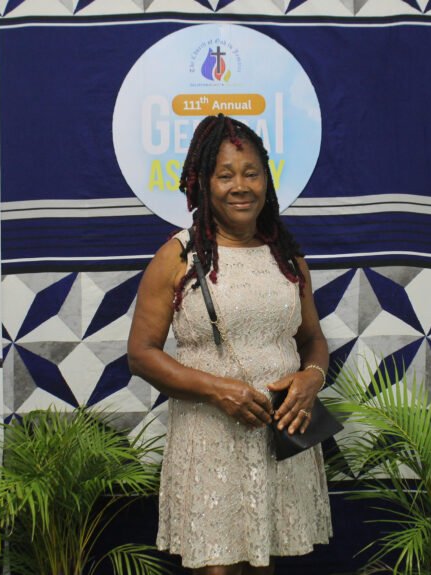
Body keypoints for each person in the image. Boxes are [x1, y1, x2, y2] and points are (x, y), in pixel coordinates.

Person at [127, 115, 332, 574]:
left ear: (266, 180)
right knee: (216, 567)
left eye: (251, 173)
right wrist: (217, 389)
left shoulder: (288, 256)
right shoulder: (177, 257)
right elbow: (141, 353)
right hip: (209, 438)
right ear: (204, 183)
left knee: (265, 564)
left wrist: (311, 380)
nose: (240, 186)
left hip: (277, 433)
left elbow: (313, 338)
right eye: (225, 175)